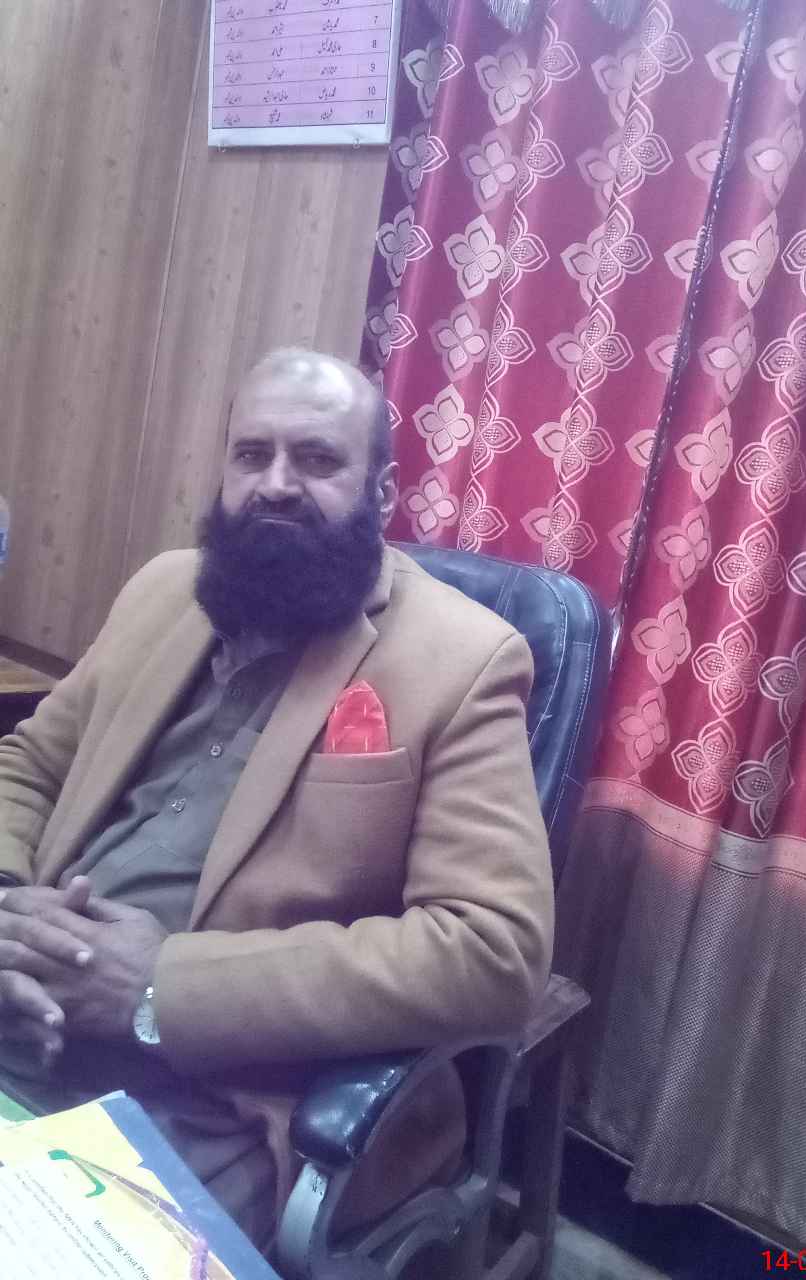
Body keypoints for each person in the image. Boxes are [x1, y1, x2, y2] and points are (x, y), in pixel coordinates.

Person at [0, 349, 553, 1246]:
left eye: (318, 459)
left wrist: (160, 989)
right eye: (252, 455)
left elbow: (493, 950)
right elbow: (27, 766)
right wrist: (13, 921)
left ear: (381, 488)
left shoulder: (464, 661)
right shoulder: (161, 592)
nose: (277, 485)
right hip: (25, 1013)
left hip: (221, 1101)